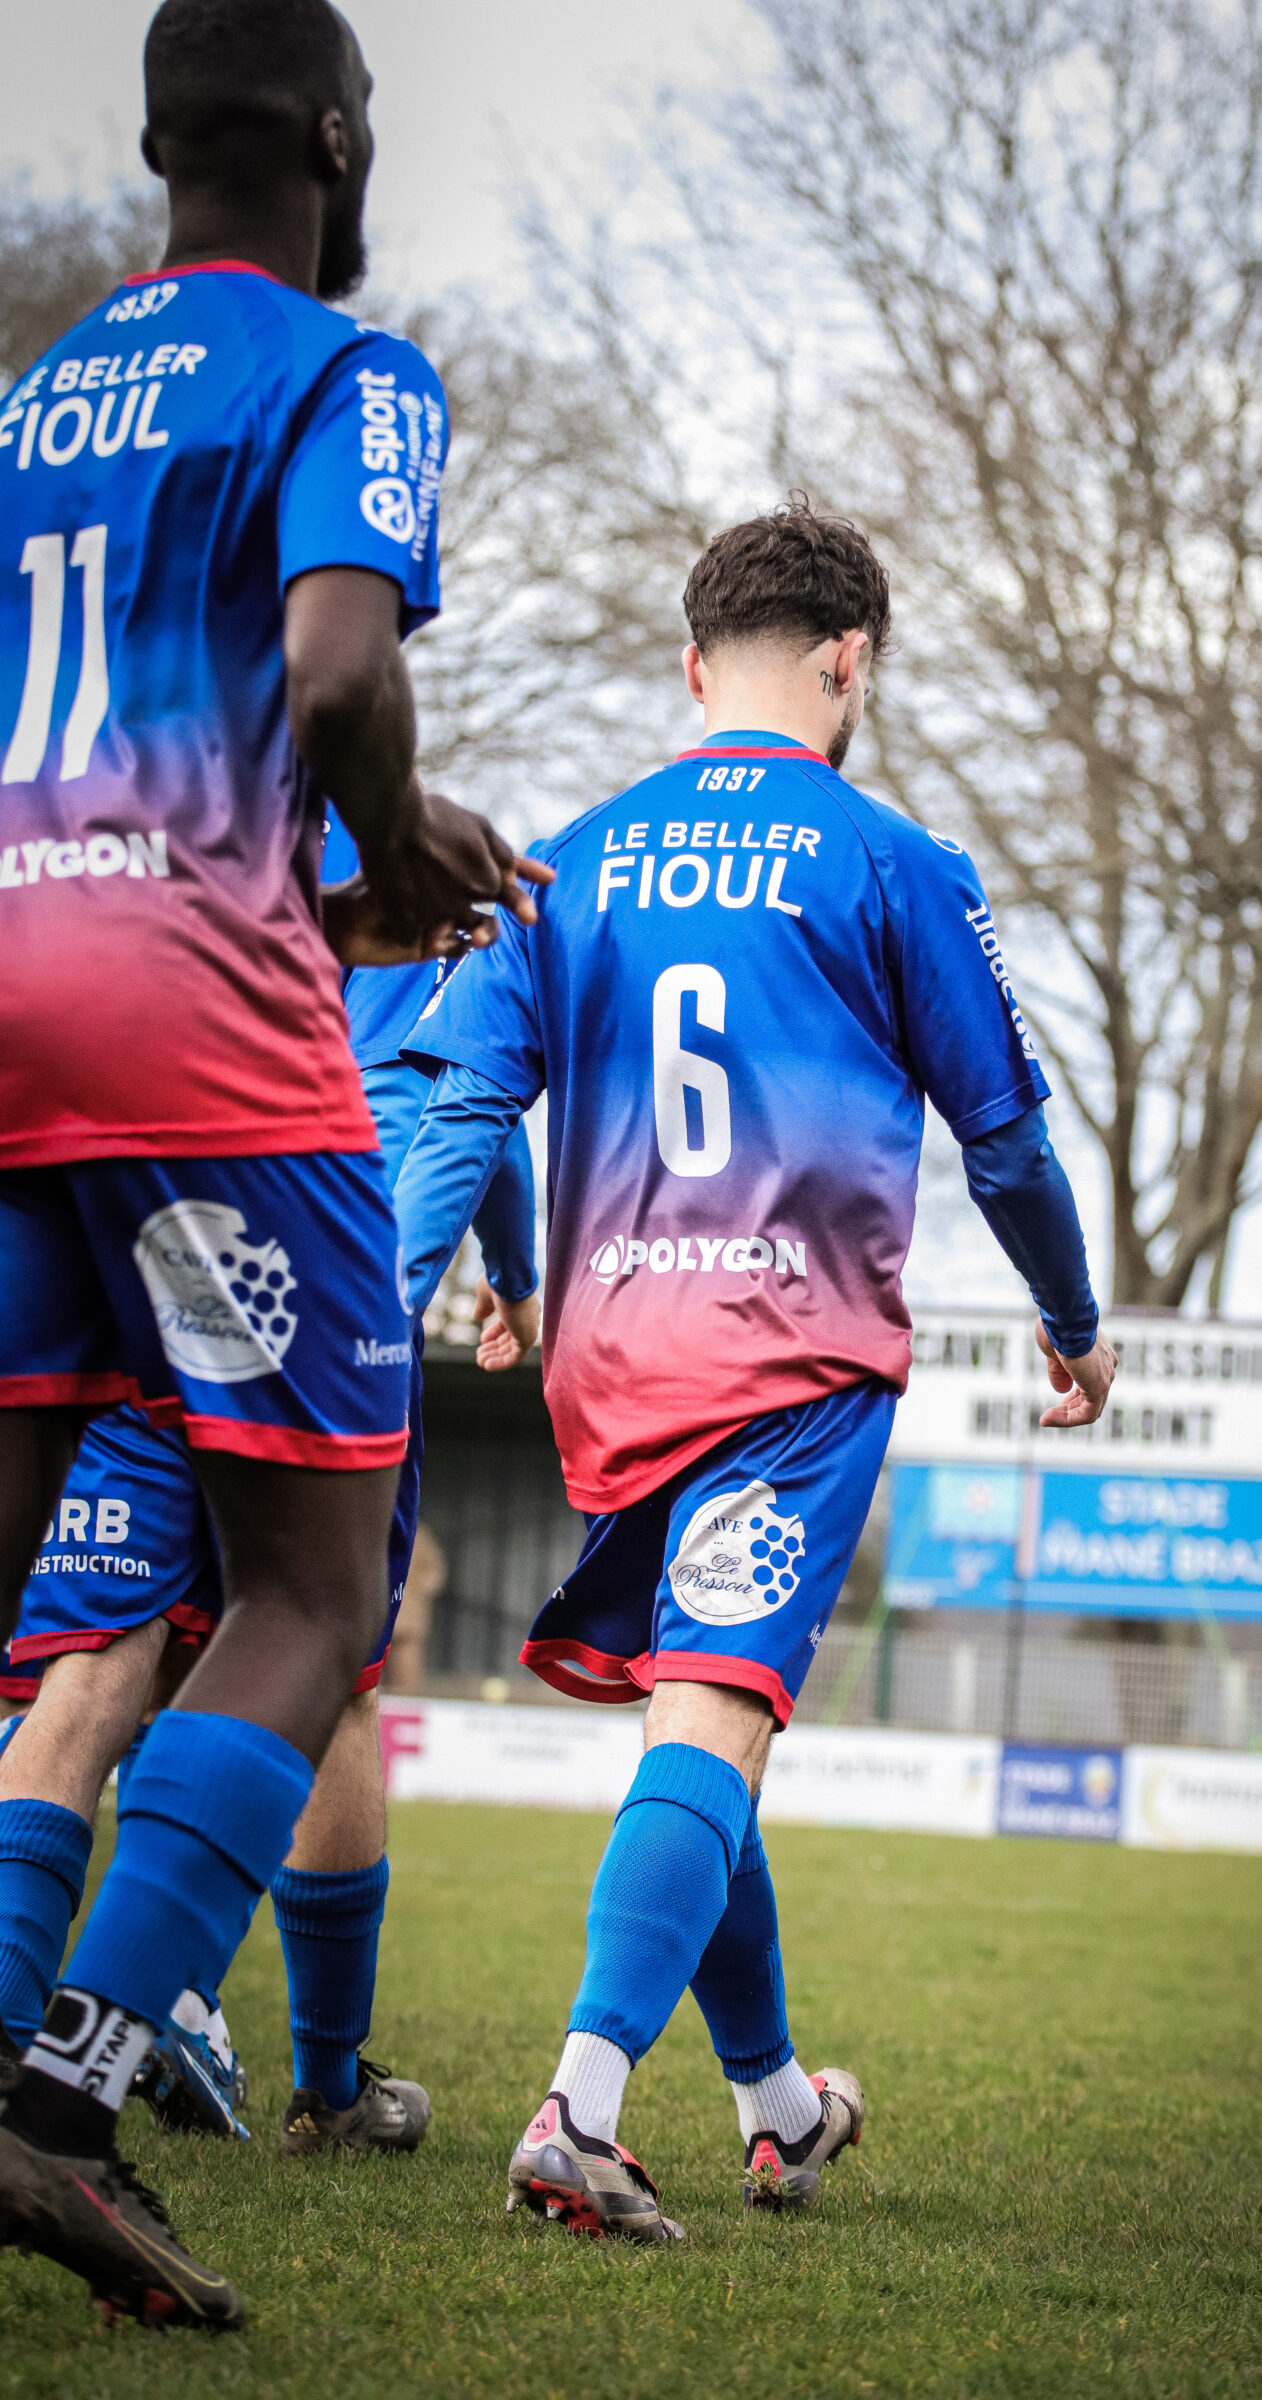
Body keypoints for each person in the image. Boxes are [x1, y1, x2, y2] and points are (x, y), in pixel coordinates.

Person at [0, 0, 545, 2330]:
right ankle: (62, 2104)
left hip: (10, 991)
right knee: (312, 1579)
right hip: (200, 1028)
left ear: (153, 148)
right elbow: (332, 679)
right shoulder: (345, 369)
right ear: (334, 136)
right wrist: (387, 839)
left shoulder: (31, 397)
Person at [394, 498, 1115, 2241]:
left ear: (692, 666)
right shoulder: (896, 862)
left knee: (703, 1713)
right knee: (717, 1712)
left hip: (615, 1360)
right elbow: (1008, 1143)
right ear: (850, 662)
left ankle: (777, 2102)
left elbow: (464, 1104)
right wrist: (1076, 1323)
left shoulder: (564, 862)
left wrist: (381, 1307)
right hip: (792, 1359)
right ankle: (578, 2109)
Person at [0, 936, 539, 2149]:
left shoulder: (145, 846)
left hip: (141, 1251)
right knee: (325, 1670)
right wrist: (516, 1282)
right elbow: (483, 1091)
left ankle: (23, 2044)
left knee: (88, 1668)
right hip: (325, 1287)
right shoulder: (417, 867)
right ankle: (318, 2085)